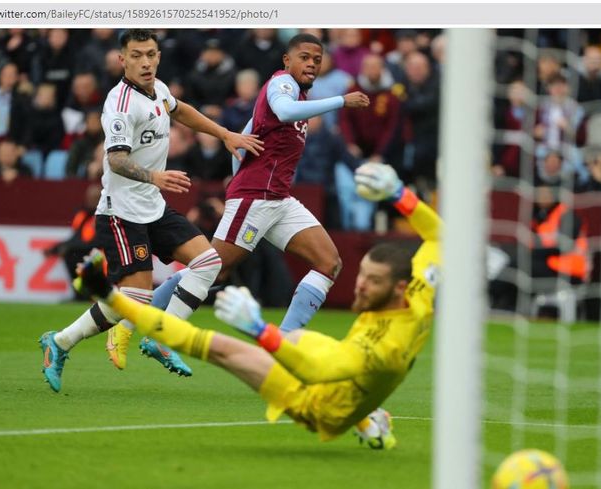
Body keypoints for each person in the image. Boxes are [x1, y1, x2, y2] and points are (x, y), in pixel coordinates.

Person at [74, 161, 440, 449]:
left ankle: (363, 418)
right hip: (333, 365)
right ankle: (371, 417)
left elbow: (316, 373)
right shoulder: (420, 288)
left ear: (398, 289)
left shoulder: (385, 349)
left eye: (372, 282)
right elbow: (440, 236)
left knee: (215, 348)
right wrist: (399, 195)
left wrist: (259, 330)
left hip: (318, 404)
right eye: (363, 275)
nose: (359, 286)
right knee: (226, 338)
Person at [127, 33, 370, 373]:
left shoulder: (296, 95)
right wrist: (341, 101)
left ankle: (284, 345)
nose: (312, 63)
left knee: (328, 262)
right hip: (257, 198)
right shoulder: (281, 85)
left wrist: (235, 175)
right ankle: (147, 319)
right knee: (212, 268)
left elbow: (243, 137)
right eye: (304, 57)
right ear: (287, 61)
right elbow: (283, 111)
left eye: (317, 58)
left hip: (279, 200)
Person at [38, 29, 263, 393]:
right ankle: (60, 342)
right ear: (121, 59)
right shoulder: (121, 104)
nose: (146, 62)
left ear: (159, 56)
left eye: (151, 54)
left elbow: (181, 109)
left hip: (153, 207)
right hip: (121, 212)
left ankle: (162, 338)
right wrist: (154, 176)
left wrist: (224, 134)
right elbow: (115, 160)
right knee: (136, 299)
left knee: (208, 262)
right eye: (137, 55)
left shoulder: (157, 89)